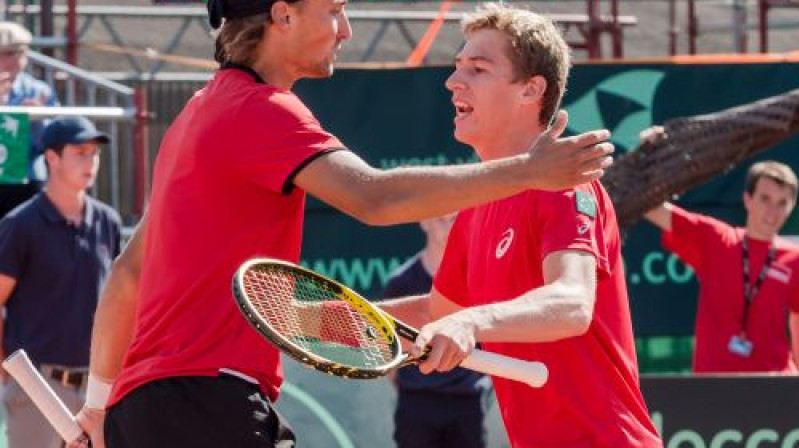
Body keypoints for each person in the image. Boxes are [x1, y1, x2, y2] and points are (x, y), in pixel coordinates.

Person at [69, 0, 614, 447]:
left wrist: (97, 406)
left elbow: (126, 275)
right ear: (283, 16)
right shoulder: (261, 110)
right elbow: (372, 197)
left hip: (144, 412)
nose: (346, 30)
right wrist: (529, 171)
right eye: (333, 10)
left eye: (476, 68)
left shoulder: (196, 113)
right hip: (206, 406)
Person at [380, 4, 662, 447]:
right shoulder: (475, 207)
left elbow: (572, 304)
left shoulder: (566, 185)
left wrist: (473, 321)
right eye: (457, 68)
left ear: (531, 90)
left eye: (478, 68)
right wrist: (328, 319)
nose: (453, 82)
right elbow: (439, 314)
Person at [0, 115, 121, 448]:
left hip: (97, 389)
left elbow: (118, 303)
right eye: (79, 152)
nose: (91, 161)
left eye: (94, 153)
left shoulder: (107, 221)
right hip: (37, 388)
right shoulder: (20, 225)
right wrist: (11, 374)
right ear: (51, 158)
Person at [643, 155, 799, 373]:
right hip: (714, 384)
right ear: (747, 199)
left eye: (782, 203)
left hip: (773, 383)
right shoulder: (717, 239)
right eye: (765, 199)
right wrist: (654, 153)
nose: (772, 212)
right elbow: (652, 207)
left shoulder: (795, 258)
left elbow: (798, 320)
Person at [380, 213, 492, 448]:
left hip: (468, 401)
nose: (449, 225)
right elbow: (387, 348)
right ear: (424, 221)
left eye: (455, 219)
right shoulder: (400, 282)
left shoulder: (479, 277)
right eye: (442, 218)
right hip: (417, 404)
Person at [0, 21, 62, 216]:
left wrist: (38, 119)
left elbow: (53, 143)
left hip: (27, 179)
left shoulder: (39, 92)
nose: (6, 61)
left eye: (14, 54)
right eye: (2, 54)